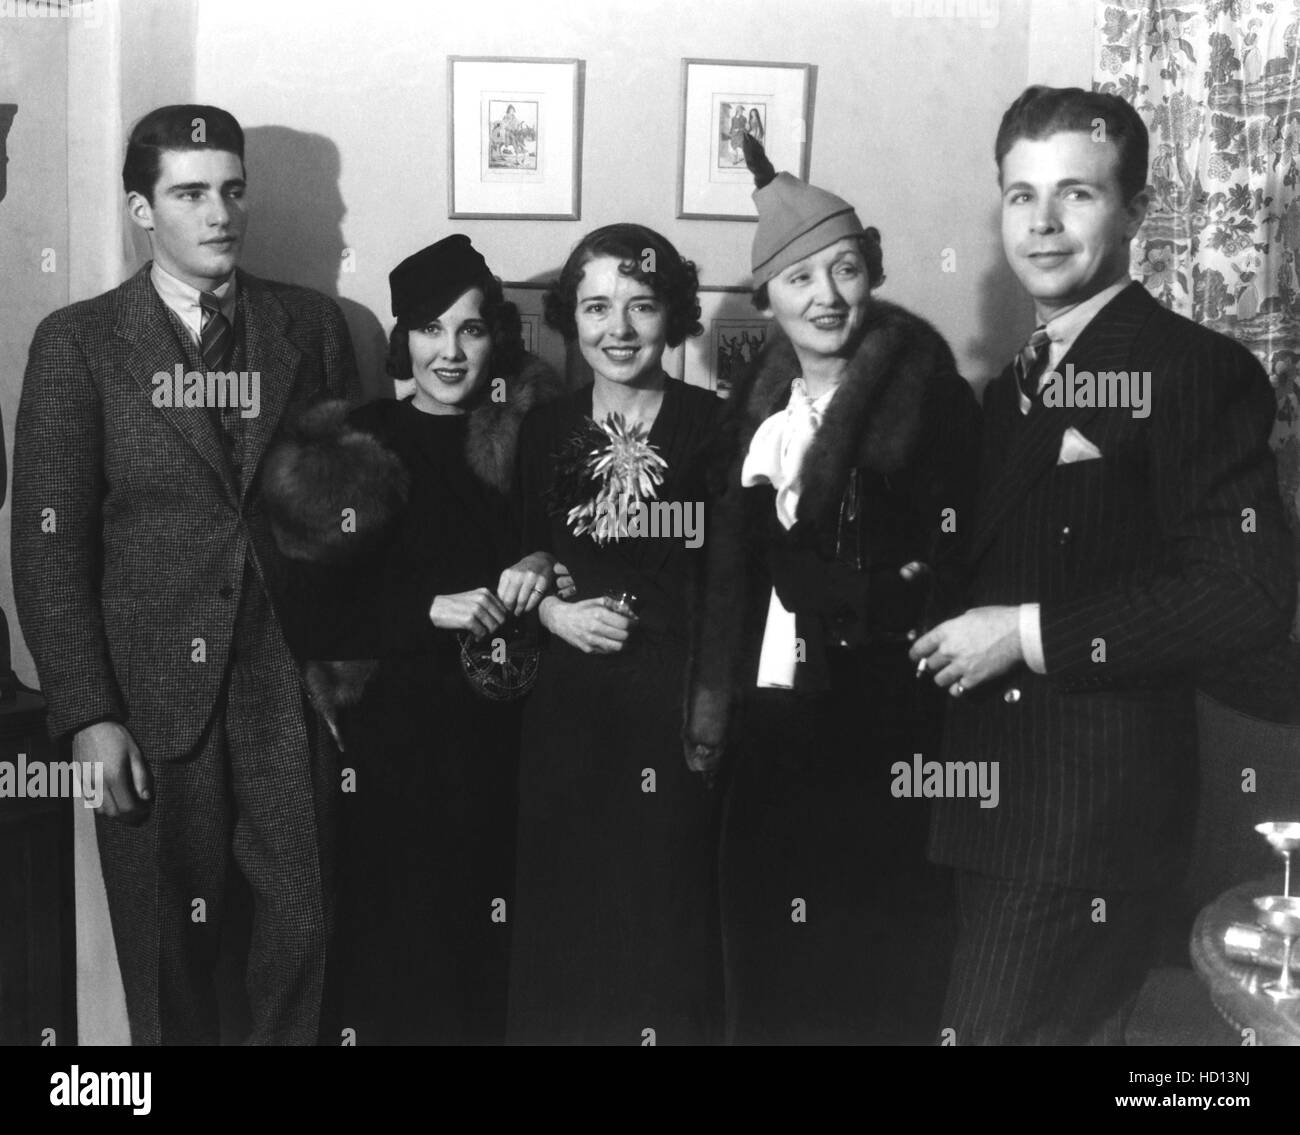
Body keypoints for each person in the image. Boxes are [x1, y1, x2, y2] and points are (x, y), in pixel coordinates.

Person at [911, 86, 1296, 1045]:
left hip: (1089, 824)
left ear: (1132, 212)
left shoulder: (1194, 369)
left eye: (1076, 196)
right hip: (993, 810)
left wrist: (1027, 633)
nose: (1041, 225)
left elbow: (1245, 594)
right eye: (1019, 196)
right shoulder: (1011, 386)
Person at [11, 104, 359, 1044]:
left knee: (307, 934)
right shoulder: (77, 343)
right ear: (142, 208)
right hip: (150, 702)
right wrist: (87, 713)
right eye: (191, 193)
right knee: (167, 960)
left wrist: (343, 677)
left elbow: (349, 522)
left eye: (233, 191)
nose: (221, 214)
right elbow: (49, 545)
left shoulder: (312, 328)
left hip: (287, 696)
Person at [684, 135, 980, 1044]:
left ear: (873, 269)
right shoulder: (752, 413)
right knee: (764, 963)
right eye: (800, 279)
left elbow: (955, 565)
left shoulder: (931, 400)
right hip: (767, 724)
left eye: (845, 269)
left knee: (868, 969)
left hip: (878, 727)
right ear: (768, 298)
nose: (827, 297)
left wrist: (873, 597)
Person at [263, 234, 565, 1045]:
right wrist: (429, 609)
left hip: (519, 737)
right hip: (401, 747)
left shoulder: (539, 435)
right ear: (403, 337)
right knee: (402, 961)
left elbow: (583, 551)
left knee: (504, 958)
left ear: (495, 335)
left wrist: (545, 561)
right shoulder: (357, 442)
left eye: (469, 330)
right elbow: (308, 613)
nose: (450, 351)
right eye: (429, 330)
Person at [508, 223, 724, 1045]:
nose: (618, 328)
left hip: (670, 710)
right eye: (597, 307)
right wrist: (555, 612)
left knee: (664, 919)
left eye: (641, 306)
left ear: (674, 315)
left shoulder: (713, 426)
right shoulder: (541, 427)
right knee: (567, 920)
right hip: (566, 717)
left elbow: (725, 581)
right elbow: (524, 559)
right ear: (572, 317)